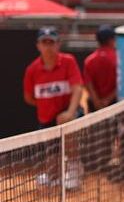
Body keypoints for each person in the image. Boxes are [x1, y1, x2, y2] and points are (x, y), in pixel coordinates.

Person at [22, 26, 84, 188]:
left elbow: (77, 88)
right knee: (52, 166)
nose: (48, 46)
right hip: (47, 118)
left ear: (58, 44)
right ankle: (54, 174)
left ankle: (74, 172)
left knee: (67, 130)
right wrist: (45, 105)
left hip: (69, 113)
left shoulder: (68, 61)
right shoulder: (32, 70)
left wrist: (70, 112)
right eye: (44, 42)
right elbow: (29, 98)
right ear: (38, 45)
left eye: (51, 42)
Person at [84, 25, 118, 112]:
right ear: (111, 40)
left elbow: (88, 84)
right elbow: (121, 83)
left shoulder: (89, 60)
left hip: (95, 105)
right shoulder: (118, 58)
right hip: (114, 103)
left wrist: (96, 101)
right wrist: (107, 100)